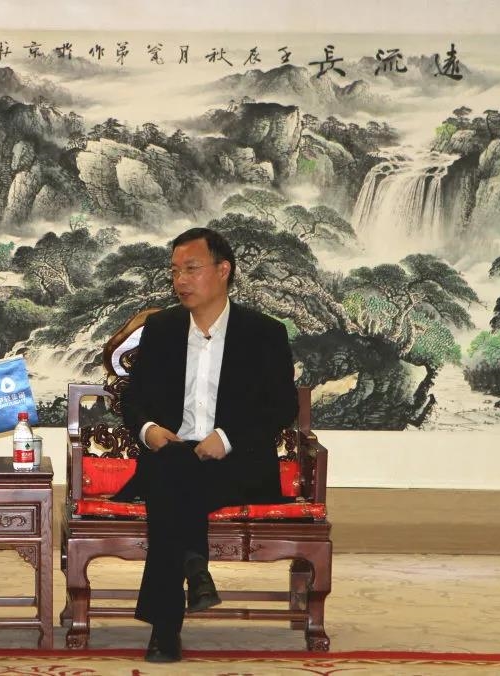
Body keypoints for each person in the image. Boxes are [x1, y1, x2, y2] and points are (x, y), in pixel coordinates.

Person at [116, 227, 298, 663]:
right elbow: (133, 399)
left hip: (236, 464)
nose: (180, 280)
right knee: (175, 465)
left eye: (191, 269)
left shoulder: (263, 332)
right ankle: (194, 567)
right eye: (175, 271)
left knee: (172, 485)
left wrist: (227, 438)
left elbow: (282, 406)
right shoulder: (162, 329)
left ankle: (165, 625)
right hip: (172, 456)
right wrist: (149, 430)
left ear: (223, 270)